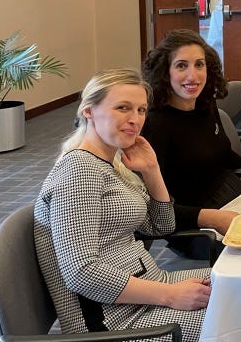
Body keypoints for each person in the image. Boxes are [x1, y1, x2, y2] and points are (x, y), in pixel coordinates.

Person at [34, 69, 210, 341]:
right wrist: (171, 295)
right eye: (122, 108)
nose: (135, 119)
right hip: (114, 322)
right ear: (88, 111)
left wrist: (152, 171)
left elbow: (161, 227)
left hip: (150, 289)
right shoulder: (79, 169)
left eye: (141, 110)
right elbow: (81, 272)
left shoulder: (111, 165)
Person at [141, 29, 241, 238]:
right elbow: (153, 206)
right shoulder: (156, 123)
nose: (193, 75)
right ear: (165, 71)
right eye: (181, 66)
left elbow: (224, 153)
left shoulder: (205, 104)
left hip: (232, 197)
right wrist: (212, 218)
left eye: (199, 64)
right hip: (196, 225)